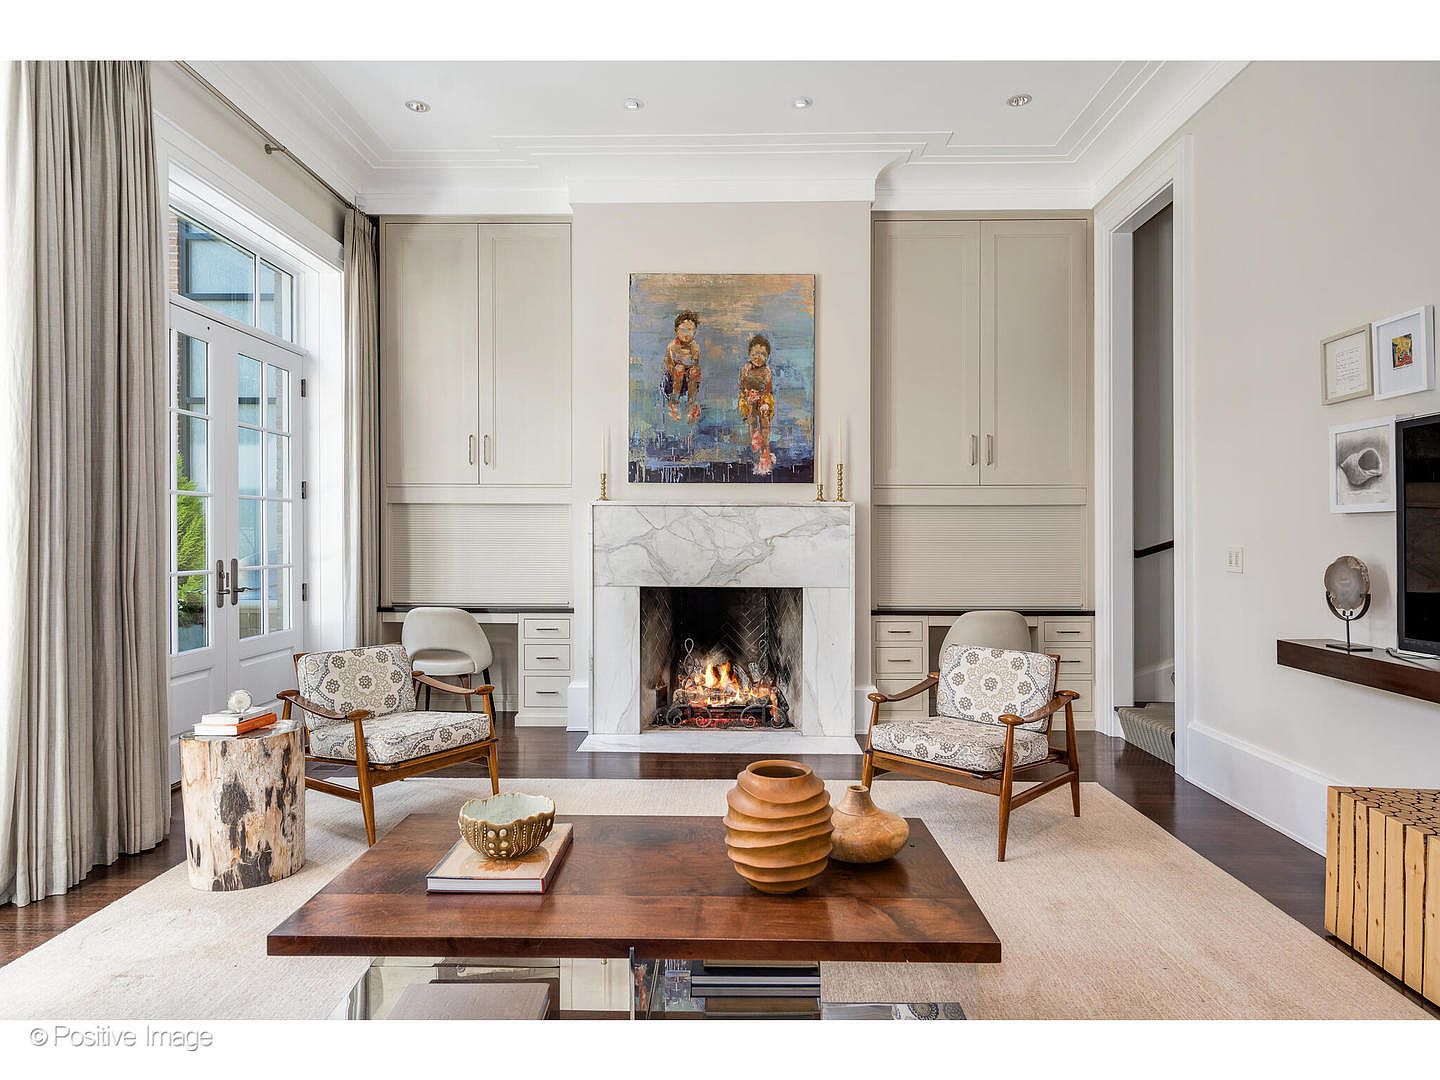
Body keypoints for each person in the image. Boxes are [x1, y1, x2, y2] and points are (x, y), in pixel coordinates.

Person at [737, 333, 776, 475]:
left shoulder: (767, 371)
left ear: (767, 356)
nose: (758, 357)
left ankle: (765, 449)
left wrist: (764, 402)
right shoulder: (745, 369)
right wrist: (748, 397)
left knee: (764, 414)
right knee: (752, 412)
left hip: (764, 398)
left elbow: (768, 391)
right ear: (749, 354)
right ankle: (754, 433)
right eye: (755, 353)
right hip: (748, 398)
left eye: (763, 354)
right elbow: (741, 388)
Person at [662, 309, 702, 422]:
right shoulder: (672, 347)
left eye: (690, 330)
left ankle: (691, 404)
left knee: (694, 371)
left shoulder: (695, 347)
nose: (686, 333)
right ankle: (674, 403)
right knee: (679, 369)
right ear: (676, 331)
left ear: (695, 331)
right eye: (683, 330)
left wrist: (690, 373)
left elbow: (695, 364)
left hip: (689, 380)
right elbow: (668, 365)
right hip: (673, 380)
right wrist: (678, 372)